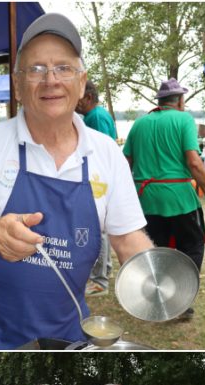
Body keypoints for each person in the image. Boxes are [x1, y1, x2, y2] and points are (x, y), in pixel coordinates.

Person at [0, 13, 152, 350]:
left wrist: (156, 279)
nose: (51, 80)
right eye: (36, 69)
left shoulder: (105, 153)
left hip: (70, 339)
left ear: (81, 81)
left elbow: (127, 237)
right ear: (17, 83)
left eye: (63, 68)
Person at [124, 78, 205, 309]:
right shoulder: (184, 119)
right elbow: (194, 162)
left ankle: (157, 297)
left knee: (156, 249)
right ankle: (182, 300)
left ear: (160, 101)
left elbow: (126, 163)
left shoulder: (140, 123)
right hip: (179, 198)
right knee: (191, 246)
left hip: (146, 199)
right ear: (180, 101)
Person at [75, 80, 117, 298]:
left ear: (88, 97)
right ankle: (103, 272)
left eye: (78, 97)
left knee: (98, 229)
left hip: (97, 180)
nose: (75, 103)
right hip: (98, 180)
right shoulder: (96, 116)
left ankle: (100, 280)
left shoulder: (95, 117)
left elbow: (99, 152)